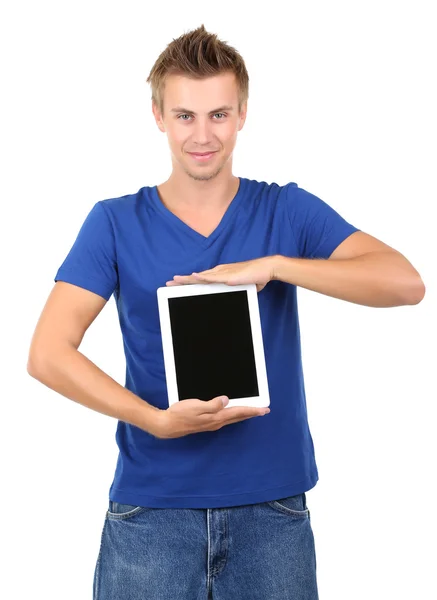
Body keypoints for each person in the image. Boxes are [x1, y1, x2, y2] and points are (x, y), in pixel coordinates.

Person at [27, 23, 425, 600]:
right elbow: (47, 354)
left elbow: (404, 283)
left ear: (242, 114)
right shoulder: (114, 222)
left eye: (218, 114)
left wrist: (274, 266)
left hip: (273, 512)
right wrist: (155, 420)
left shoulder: (285, 210)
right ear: (159, 116)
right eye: (185, 115)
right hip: (150, 514)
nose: (202, 135)